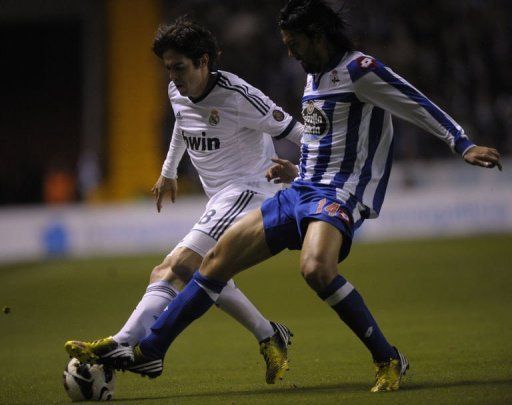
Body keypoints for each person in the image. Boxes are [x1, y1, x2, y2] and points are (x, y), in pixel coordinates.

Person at [114, 0, 502, 393]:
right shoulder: (314, 77)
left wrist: (461, 143)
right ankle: (151, 350)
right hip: (301, 189)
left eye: (293, 43)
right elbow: (322, 140)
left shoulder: (360, 71)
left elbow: (413, 101)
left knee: (316, 268)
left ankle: (387, 357)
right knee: (214, 262)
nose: (289, 52)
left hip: (340, 192)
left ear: (317, 37)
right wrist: (295, 169)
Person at [64, 16, 304, 384]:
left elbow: (297, 131)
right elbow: (182, 120)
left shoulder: (239, 96)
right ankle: (269, 334)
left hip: (251, 191)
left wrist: (305, 173)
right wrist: (168, 170)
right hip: (219, 197)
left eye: (179, 68)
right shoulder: (178, 89)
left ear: (204, 61)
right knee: (185, 270)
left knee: (180, 264)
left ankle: (123, 342)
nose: (172, 77)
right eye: (168, 69)